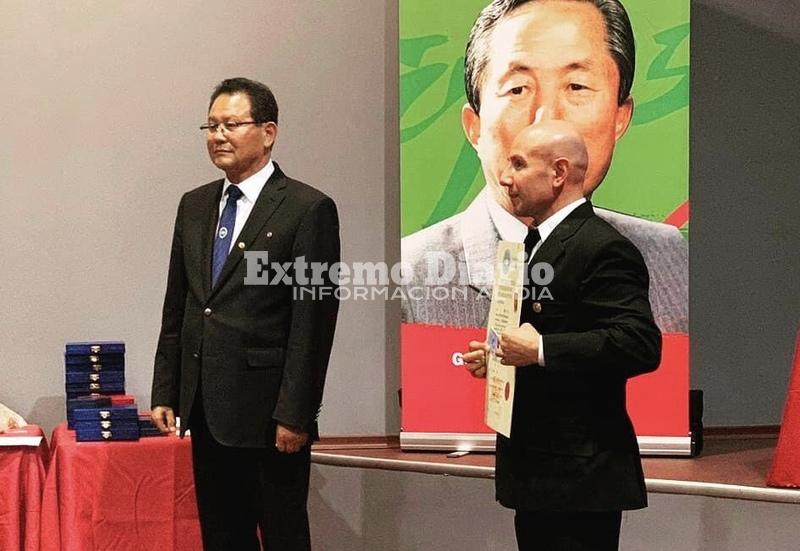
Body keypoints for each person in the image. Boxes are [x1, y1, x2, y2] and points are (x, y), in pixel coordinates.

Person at [401, 0, 687, 333]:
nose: (547, 119)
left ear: (619, 118)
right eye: (518, 89)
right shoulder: (408, 273)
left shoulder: (671, 258)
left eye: (576, 86)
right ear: (474, 126)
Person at [150, 77, 340, 551]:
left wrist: (296, 414)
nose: (218, 135)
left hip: (269, 414)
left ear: (268, 131)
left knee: (282, 534)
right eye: (211, 126)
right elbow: (181, 304)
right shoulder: (194, 205)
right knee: (222, 535)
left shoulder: (308, 208)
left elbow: (313, 322)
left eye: (232, 124)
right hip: (205, 406)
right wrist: (166, 388)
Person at [462, 120, 661, 550]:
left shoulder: (602, 247)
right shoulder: (530, 246)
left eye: (518, 163)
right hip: (537, 469)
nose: (504, 177)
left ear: (558, 173)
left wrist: (540, 349)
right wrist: (500, 356)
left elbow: (639, 343)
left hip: (579, 474)